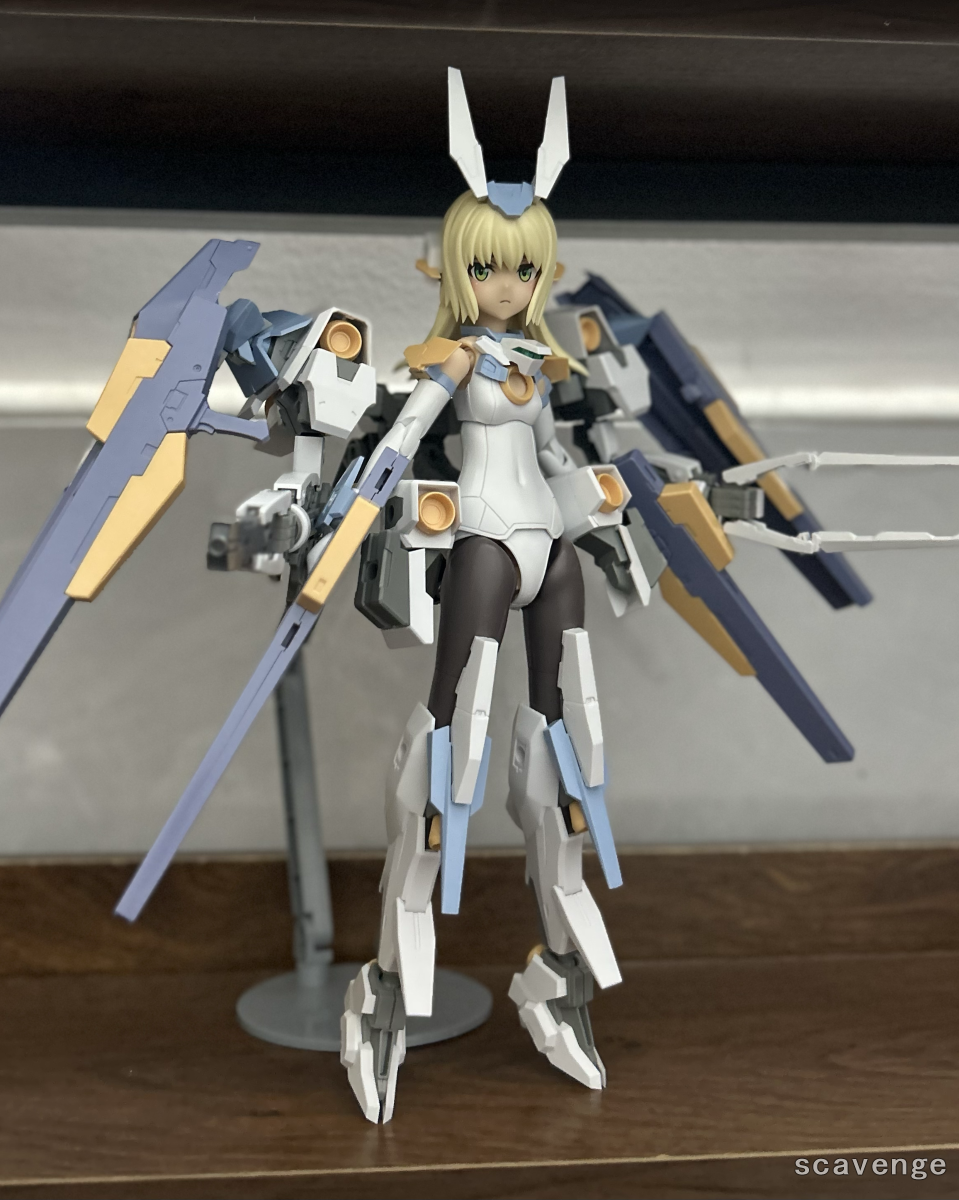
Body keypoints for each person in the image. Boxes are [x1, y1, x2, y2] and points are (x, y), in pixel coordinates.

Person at [340, 71, 624, 1125]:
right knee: (448, 753)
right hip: (485, 547)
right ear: (458, 268)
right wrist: (355, 507)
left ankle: (557, 972)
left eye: (524, 268)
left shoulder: (539, 367)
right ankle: (382, 988)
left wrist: (603, 504)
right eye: (488, 267)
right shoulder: (453, 362)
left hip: (551, 548)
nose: (506, 284)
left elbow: (554, 457)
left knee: (566, 753)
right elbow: (400, 443)